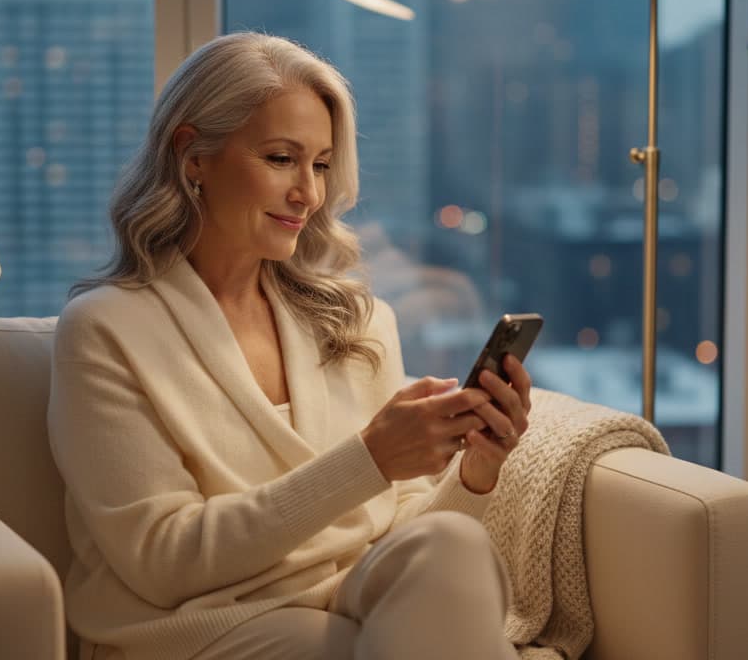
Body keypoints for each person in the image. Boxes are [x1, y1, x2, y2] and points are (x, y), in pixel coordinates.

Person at [48, 32, 531, 660]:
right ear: (193, 157)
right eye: (281, 159)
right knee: (330, 644)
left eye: (322, 164)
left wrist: (477, 471)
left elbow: (409, 542)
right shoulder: (106, 331)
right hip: (198, 631)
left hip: (354, 604)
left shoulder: (357, 321)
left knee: (452, 548)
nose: (310, 192)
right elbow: (162, 562)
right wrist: (370, 458)